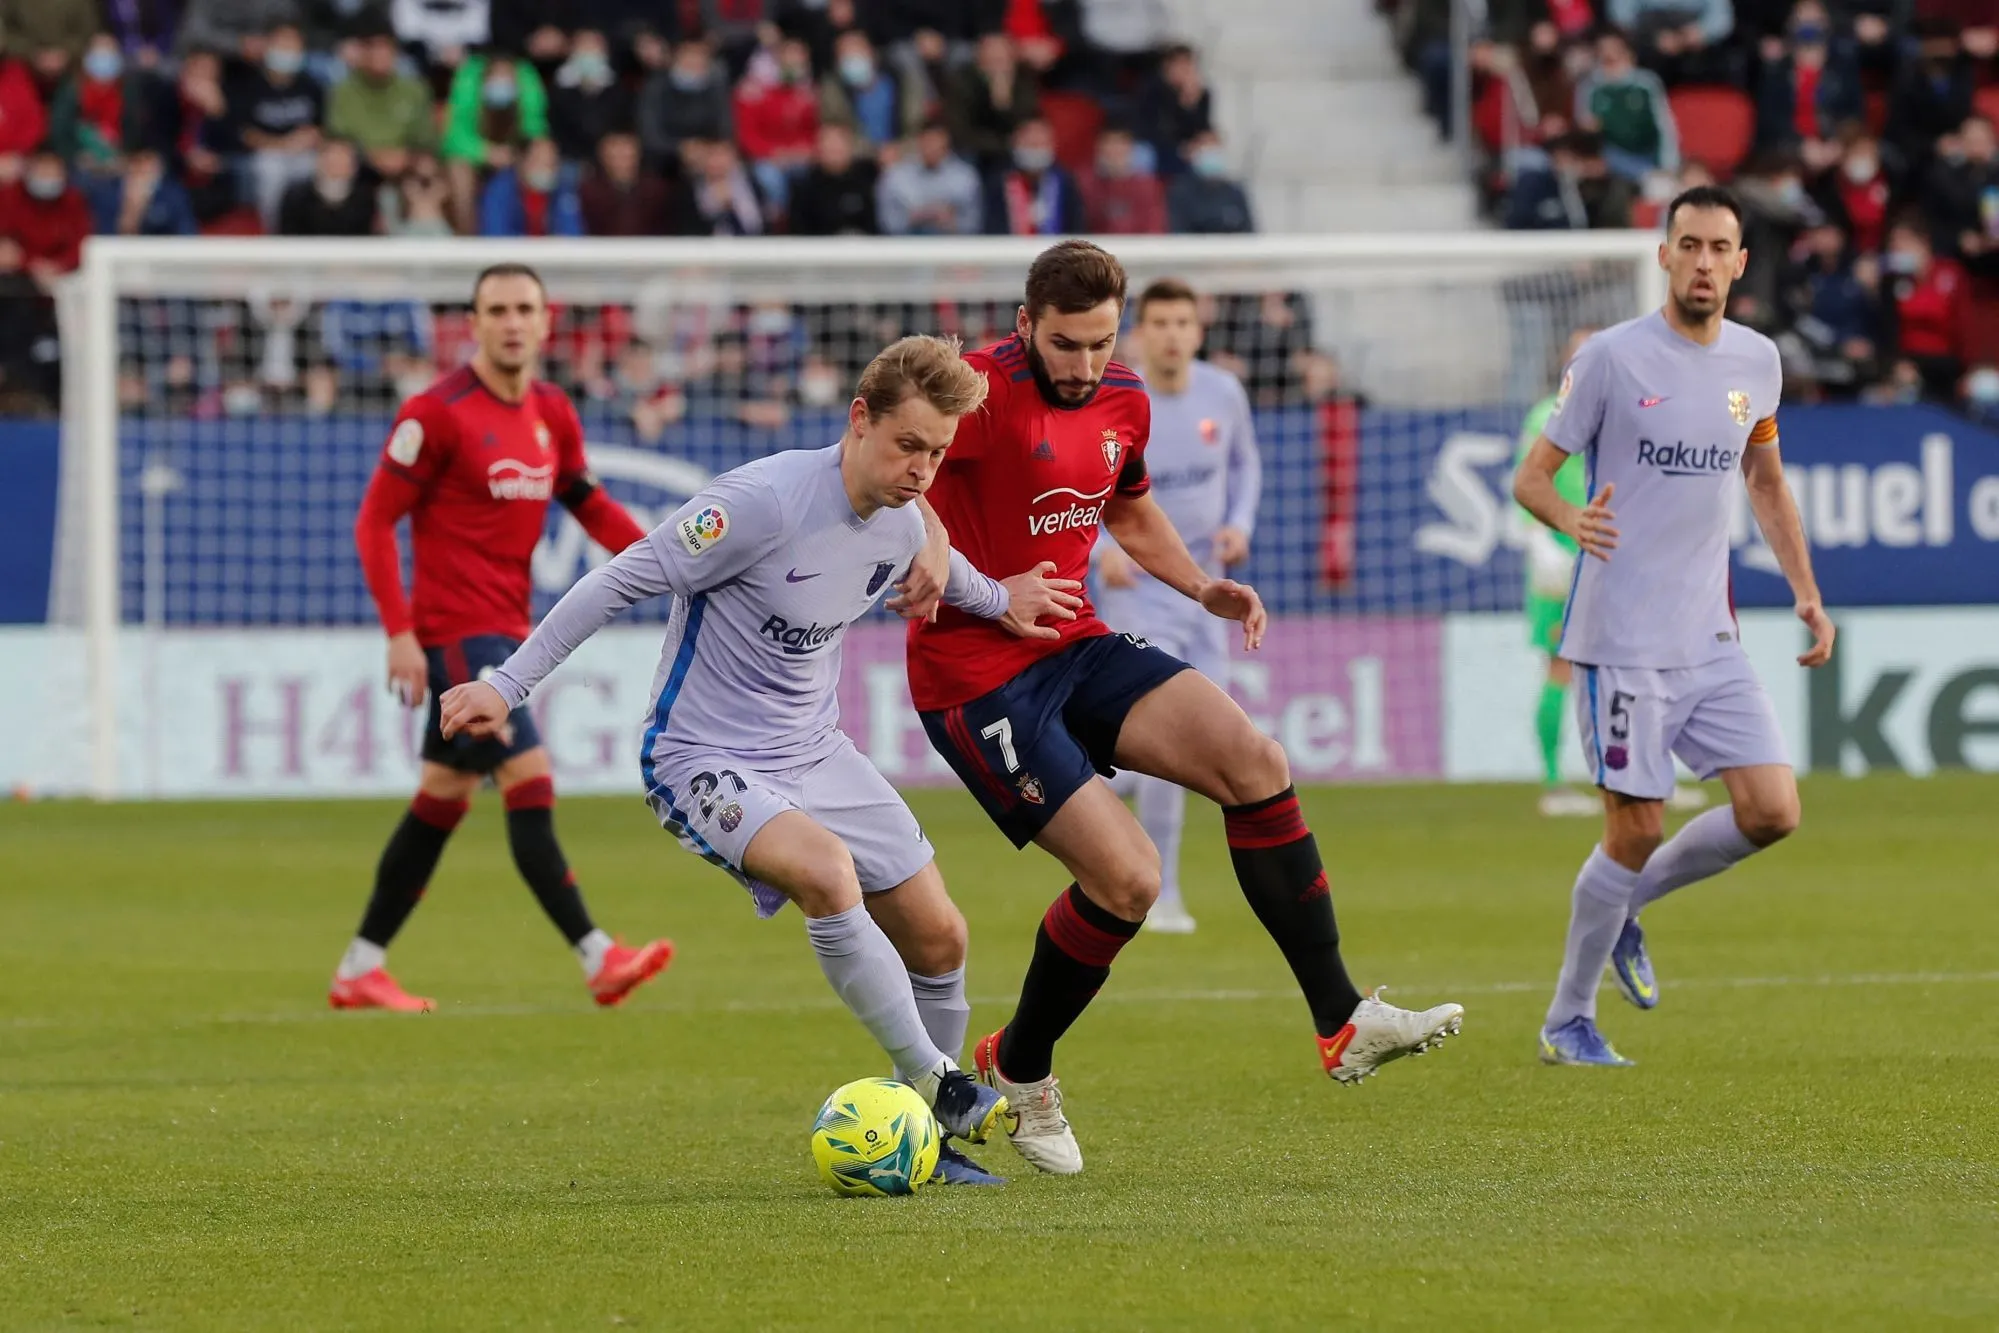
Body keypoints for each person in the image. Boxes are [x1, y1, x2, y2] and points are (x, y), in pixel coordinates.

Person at [437, 335, 1087, 1186]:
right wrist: (507, 684)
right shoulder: (760, 503)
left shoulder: (902, 520)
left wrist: (1005, 600)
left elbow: (947, 569)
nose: (924, 469)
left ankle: (930, 1138)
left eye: (937, 451)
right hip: (698, 754)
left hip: (814, 750)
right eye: (907, 445)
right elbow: (617, 579)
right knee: (825, 870)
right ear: (859, 420)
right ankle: (936, 1080)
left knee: (940, 934)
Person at [908, 241, 1465, 1176]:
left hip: (1075, 644)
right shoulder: (974, 391)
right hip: (977, 676)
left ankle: (1342, 1020)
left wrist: (1200, 584)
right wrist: (963, 576)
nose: (1085, 366)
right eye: (1064, 345)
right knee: (1128, 882)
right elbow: (903, 478)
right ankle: (1022, 1064)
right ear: (1023, 326)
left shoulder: (1124, 397)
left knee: (1255, 759)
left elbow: (1126, 508)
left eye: (1099, 343)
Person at [1513, 186, 1835, 1068]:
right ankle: (1566, 1020)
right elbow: (1532, 478)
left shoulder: (1756, 362)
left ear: (1738, 262)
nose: (1700, 261)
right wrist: (1567, 519)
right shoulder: (1613, 359)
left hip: (1709, 634)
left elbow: (1763, 481)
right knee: (1636, 826)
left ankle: (1626, 909)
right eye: (1685, 244)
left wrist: (1806, 590)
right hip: (1618, 638)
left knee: (1771, 810)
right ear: (1663, 255)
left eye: (1717, 247)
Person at [334, 263, 672, 1015]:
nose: (512, 321)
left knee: (442, 798)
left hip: (509, 631)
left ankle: (360, 966)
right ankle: (597, 955)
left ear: (547, 321)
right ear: (474, 322)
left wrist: (673, 560)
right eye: (497, 309)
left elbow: (587, 503)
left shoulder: (552, 410)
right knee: (530, 777)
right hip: (457, 635)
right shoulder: (437, 412)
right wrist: (399, 632)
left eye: (525, 308)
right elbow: (373, 521)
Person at [1089, 278, 1259, 934]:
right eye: (1158, 321)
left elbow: (1246, 465)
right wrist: (1100, 545)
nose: (1170, 334)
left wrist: (1239, 522)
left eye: (1182, 321)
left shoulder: (1224, 392)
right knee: (1173, 737)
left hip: (1208, 592)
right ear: (1139, 331)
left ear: (1198, 328)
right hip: (1138, 591)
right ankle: (1162, 894)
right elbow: (1081, 484)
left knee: (1199, 738)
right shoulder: (1116, 399)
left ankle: (1107, 794)